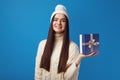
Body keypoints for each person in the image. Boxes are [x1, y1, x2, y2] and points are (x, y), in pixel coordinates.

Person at [34, 4, 96, 80]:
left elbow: (68, 78)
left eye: (63, 20)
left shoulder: (73, 47)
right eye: (56, 19)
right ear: (52, 22)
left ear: (67, 24)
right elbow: (38, 73)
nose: (59, 23)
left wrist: (79, 58)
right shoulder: (42, 44)